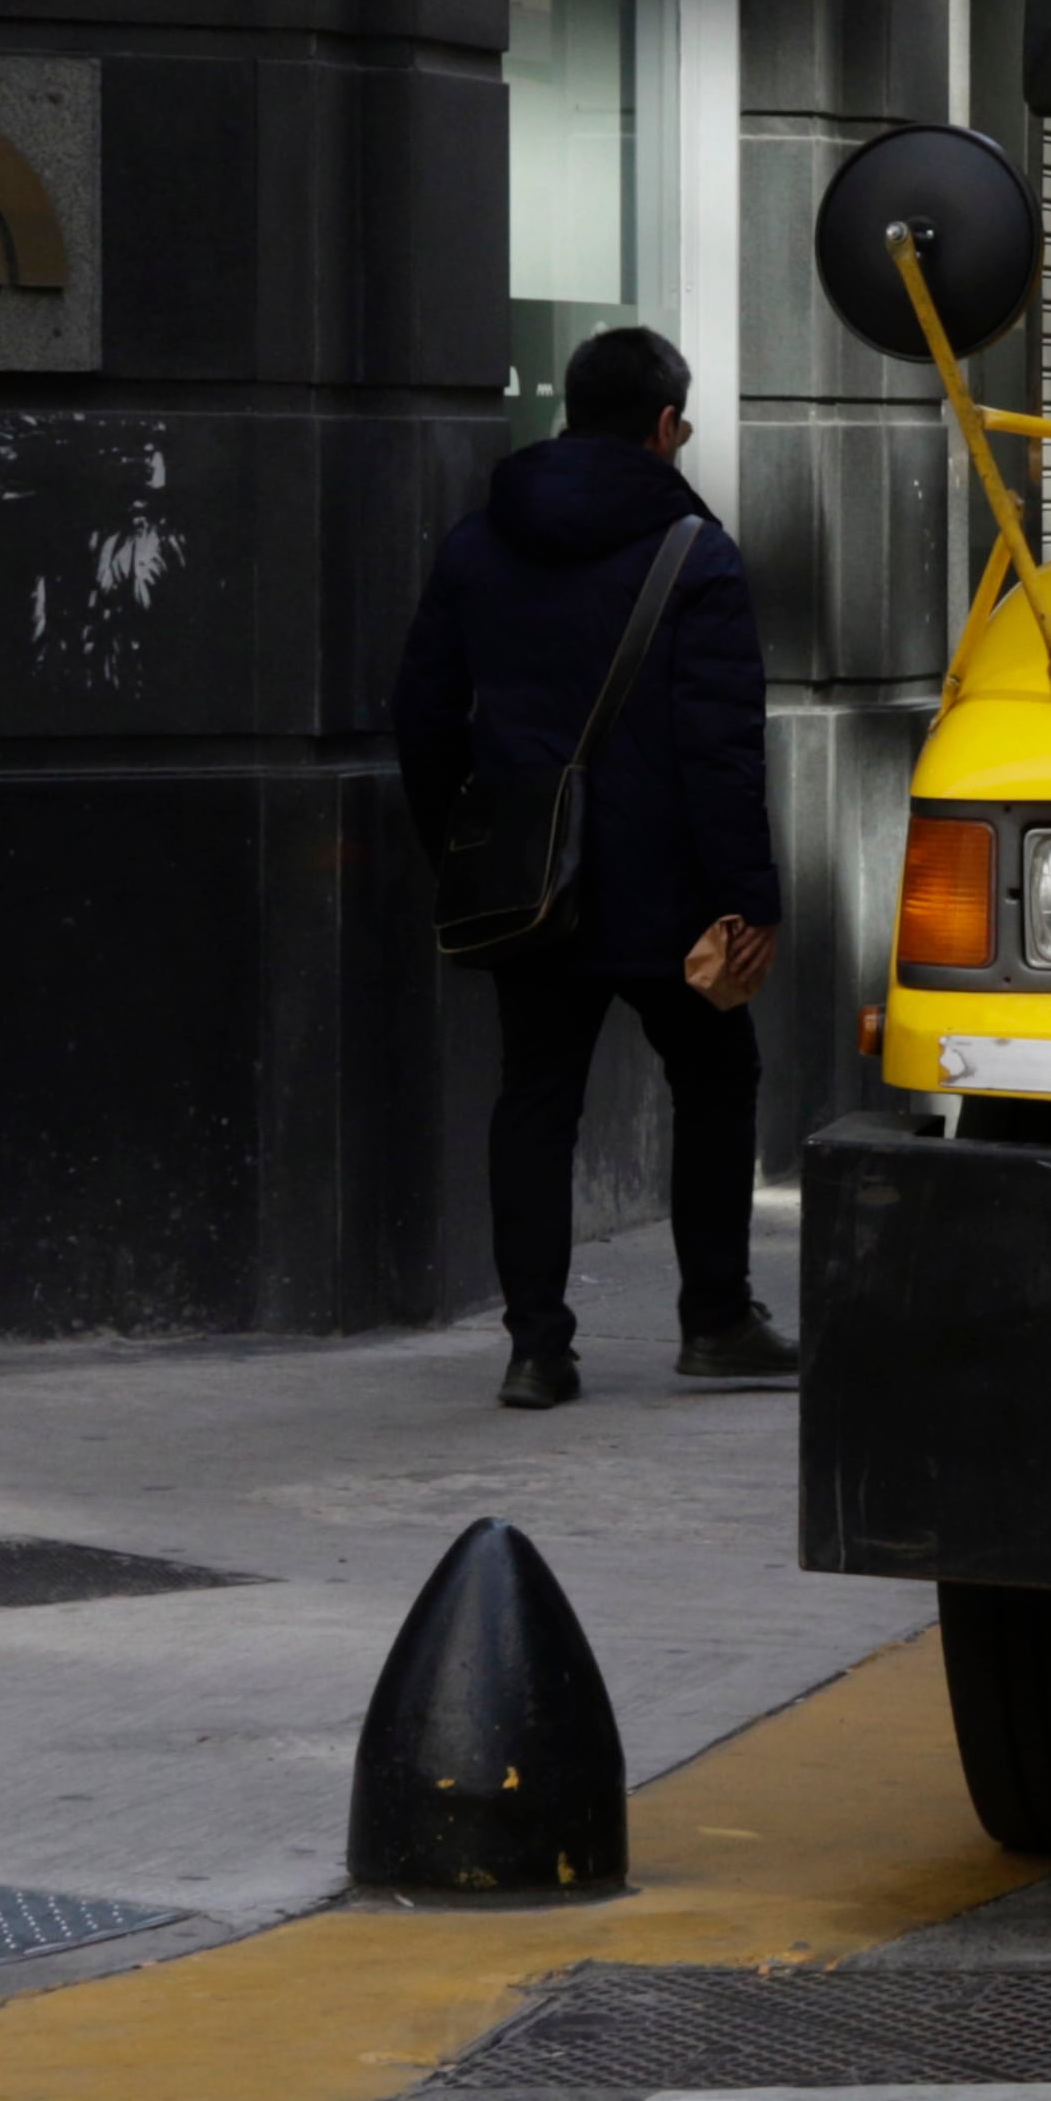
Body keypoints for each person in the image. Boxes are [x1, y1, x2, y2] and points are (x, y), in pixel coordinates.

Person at [392, 325, 792, 1411]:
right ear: (666, 427)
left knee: (534, 1100)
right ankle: (715, 1320)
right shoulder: (693, 554)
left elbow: (422, 718)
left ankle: (536, 1348)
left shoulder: (478, 543)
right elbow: (720, 748)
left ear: (571, 412)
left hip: (533, 889)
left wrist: (464, 849)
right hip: (669, 891)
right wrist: (747, 899)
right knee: (716, 1078)